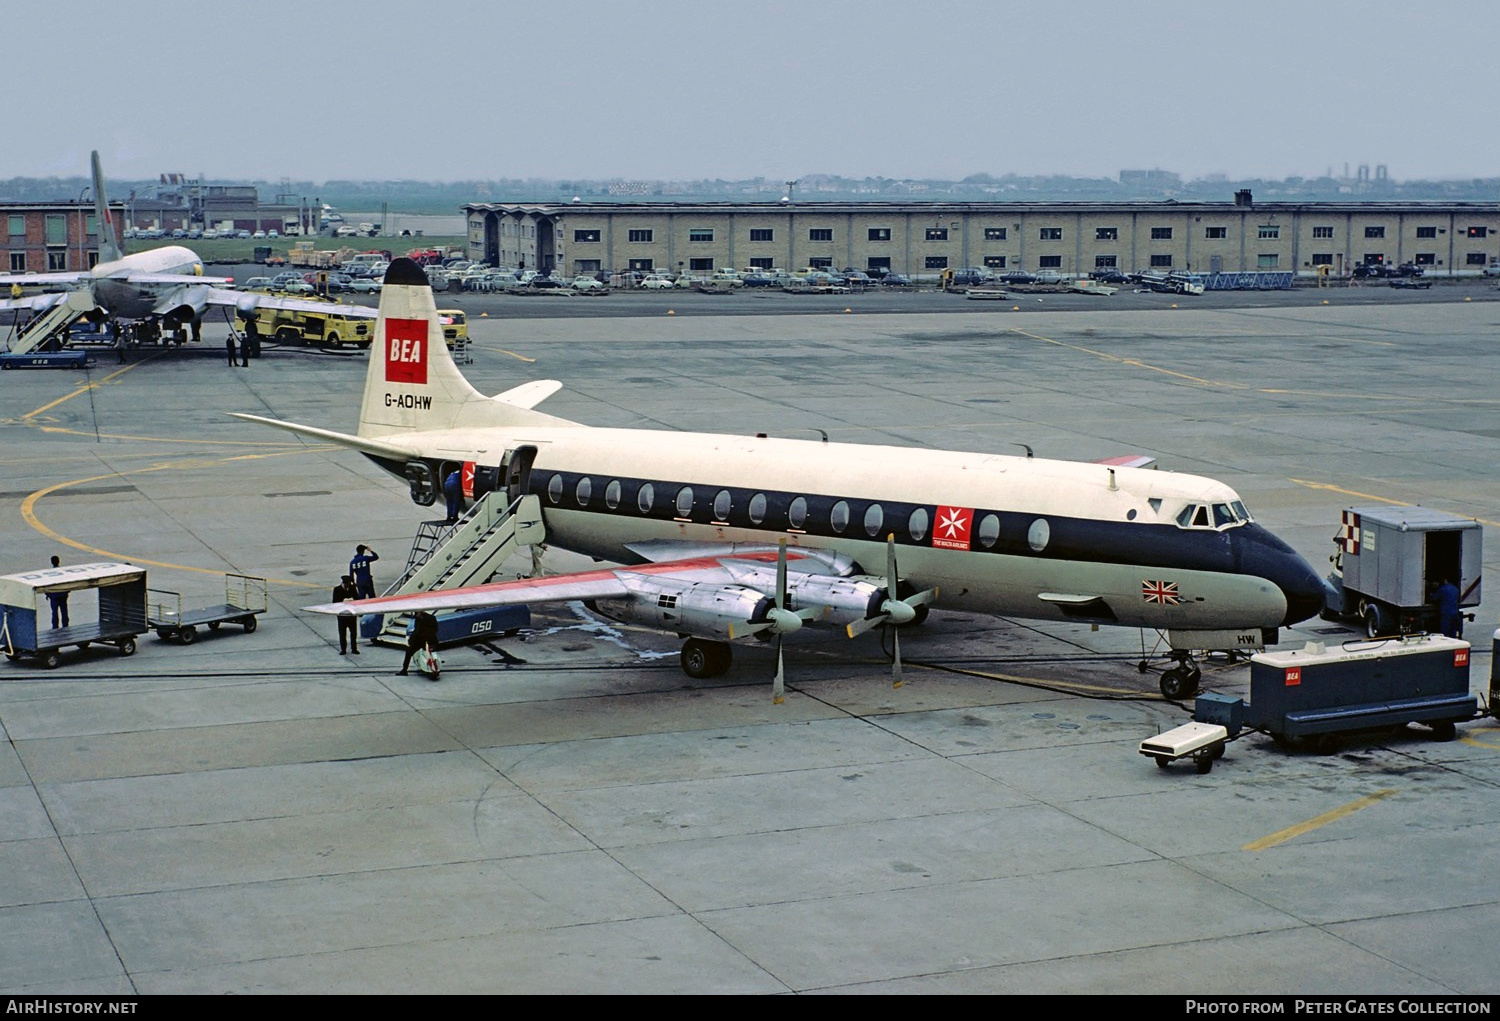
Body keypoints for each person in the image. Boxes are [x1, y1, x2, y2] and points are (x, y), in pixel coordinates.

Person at [397, 610, 439, 678]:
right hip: (431, 640)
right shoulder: (432, 617)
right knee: (431, 654)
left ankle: (404, 670)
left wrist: (411, 640)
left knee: (408, 653)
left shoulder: (419, 619)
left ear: (419, 613)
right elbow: (436, 629)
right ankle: (435, 668)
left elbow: (417, 631)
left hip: (420, 641)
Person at [333, 575, 360, 655]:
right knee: (342, 633)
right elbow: (334, 602)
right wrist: (343, 601)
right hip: (342, 615)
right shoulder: (337, 589)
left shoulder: (352, 588)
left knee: (353, 633)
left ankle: (354, 648)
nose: (347, 587)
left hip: (351, 614)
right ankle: (343, 649)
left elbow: (357, 599)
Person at [45, 555, 69, 629]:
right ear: (59, 561)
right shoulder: (63, 572)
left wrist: (47, 594)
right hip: (63, 594)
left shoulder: (49, 573)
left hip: (54, 595)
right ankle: (65, 626)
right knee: (64, 611)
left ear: (52, 562)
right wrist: (67, 592)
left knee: (54, 612)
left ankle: (55, 627)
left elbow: (47, 584)